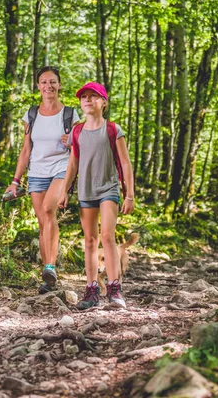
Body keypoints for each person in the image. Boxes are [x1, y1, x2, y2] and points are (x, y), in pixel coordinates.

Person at [57, 81, 135, 310]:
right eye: (84, 97)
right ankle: (91, 290)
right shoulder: (77, 131)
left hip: (108, 189)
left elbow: (125, 163)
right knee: (90, 240)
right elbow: (73, 163)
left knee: (108, 236)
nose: (88, 100)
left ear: (104, 102)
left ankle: (114, 288)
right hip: (85, 191)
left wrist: (129, 195)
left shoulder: (113, 129)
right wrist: (64, 191)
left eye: (93, 96)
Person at [5, 66, 79, 294]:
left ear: (59, 85)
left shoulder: (70, 114)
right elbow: (26, 150)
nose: (49, 86)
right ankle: (48, 279)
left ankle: (50, 265)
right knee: (42, 222)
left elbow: (79, 146)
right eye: (44, 82)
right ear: (38, 86)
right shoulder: (31, 114)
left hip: (61, 168)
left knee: (49, 210)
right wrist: (15, 181)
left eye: (53, 82)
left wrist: (71, 142)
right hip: (37, 172)